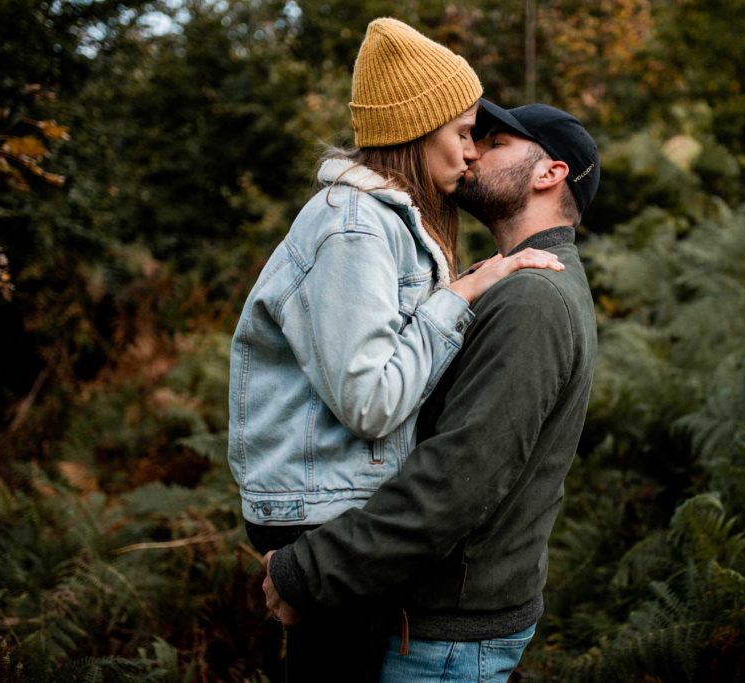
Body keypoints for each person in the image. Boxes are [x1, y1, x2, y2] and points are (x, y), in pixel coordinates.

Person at [227, 19, 562, 682]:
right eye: (462, 132)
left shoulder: (387, 223)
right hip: (318, 516)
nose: (470, 153)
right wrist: (458, 296)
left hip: (337, 503)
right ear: (417, 128)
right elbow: (371, 402)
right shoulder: (352, 227)